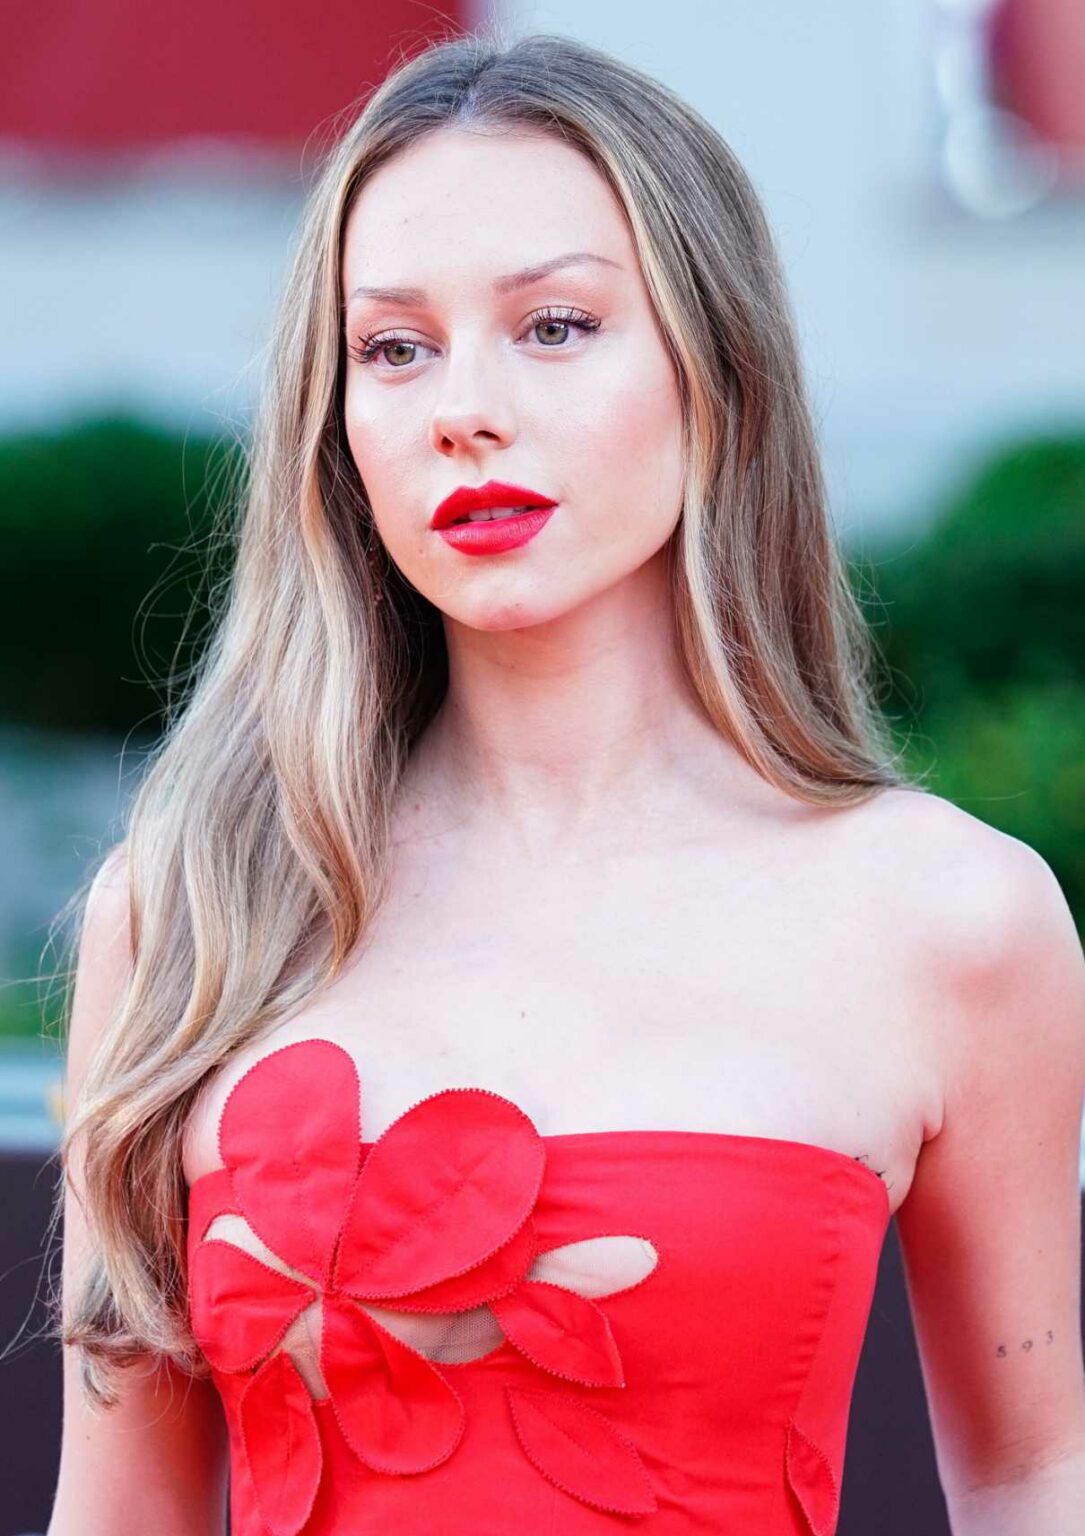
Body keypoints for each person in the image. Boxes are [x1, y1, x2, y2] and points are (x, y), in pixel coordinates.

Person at [46, 24, 1085, 1536]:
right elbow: (119, 1516)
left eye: (553, 327)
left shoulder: (954, 917)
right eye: (394, 347)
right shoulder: (192, 905)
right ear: (337, 430)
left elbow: (1027, 1474)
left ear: (712, 370)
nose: (463, 405)